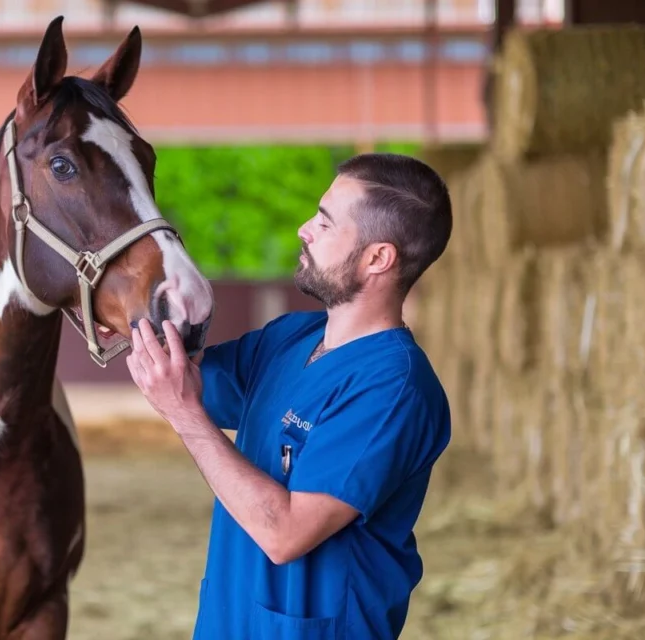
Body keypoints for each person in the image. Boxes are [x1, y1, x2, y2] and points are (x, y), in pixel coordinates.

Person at [124, 152, 453, 640]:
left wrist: (186, 417)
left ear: (378, 258)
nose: (304, 229)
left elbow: (285, 534)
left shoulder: (394, 389)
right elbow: (179, 376)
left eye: (324, 222)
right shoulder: (289, 339)